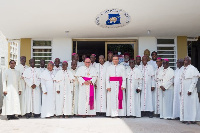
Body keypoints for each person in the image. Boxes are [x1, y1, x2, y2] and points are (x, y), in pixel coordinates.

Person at [180, 56, 200, 124]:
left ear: (189, 61)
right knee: (186, 105)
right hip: (184, 89)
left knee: (191, 105)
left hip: (190, 90)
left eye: (186, 60)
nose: (185, 61)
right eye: (184, 60)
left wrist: (190, 90)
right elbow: (182, 80)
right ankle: (186, 118)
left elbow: (194, 80)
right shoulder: (184, 69)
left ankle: (191, 119)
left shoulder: (193, 69)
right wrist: (181, 90)